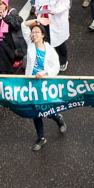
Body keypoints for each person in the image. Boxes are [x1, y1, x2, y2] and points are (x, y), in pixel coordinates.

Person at [24, 23, 66, 151]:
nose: (34, 34)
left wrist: (45, 72)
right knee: (35, 112)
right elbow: (23, 25)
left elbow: (56, 67)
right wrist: (37, 20)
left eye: (37, 32)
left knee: (46, 109)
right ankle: (41, 137)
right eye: (33, 32)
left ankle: (58, 118)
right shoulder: (30, 45)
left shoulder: (50, 50)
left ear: (43, 35)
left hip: (44, 85)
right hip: (31, 84)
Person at [29, 0, 70, 71]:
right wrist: (37, 8)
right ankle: (48, 60)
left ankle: (63, 60)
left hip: (57, 19)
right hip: (43, 18)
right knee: (45, 40)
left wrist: (56, 11)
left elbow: (66, 4)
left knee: (59, 42)